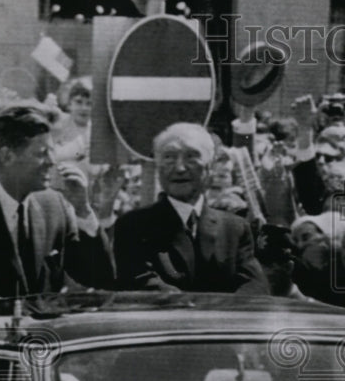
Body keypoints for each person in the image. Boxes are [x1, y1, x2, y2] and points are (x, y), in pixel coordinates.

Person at [0, 103, 115, 312]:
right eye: (41, 153)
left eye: (51, 151)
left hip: (47, 340)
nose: (52, 161)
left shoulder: (54, 206)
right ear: (7, 156)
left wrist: (83, 210)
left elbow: (99, 279)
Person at [112, 123, 268, 294]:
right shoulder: (134, 226)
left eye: (191, 157)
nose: (179, 168)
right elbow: (141, 282)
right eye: (169, 157)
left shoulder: (235, 229)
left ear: (209, 167)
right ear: (158, 168)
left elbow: (254, 286)